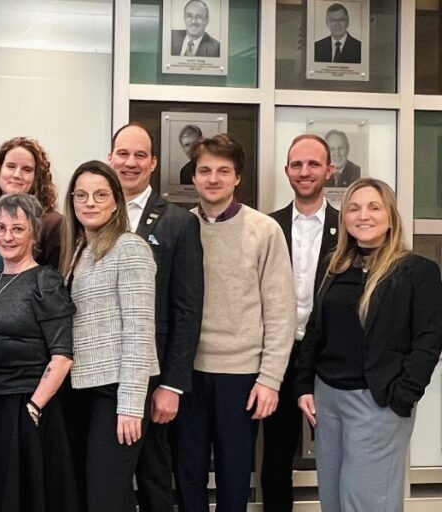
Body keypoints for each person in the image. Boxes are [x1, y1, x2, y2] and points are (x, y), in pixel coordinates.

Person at [295, 178, 442, 512]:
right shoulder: (334, 266)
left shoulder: (416, 271)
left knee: (364, 503)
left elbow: (428, 342)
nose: (363, 215)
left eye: (374, 207)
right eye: (354, 207)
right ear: (345, 217)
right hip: (328, 400)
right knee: (332, 500)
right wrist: (304, 384)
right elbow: (316, 329)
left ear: (391, 217)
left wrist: (402, 397)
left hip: (378, 403)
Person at [176, 134, 295, 512]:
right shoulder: (179, 228)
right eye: (205, 170)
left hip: (241, 376)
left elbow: (281, 310)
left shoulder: (264, 231)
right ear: (193, 177)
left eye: (223, 171)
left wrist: (270, 379)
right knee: (188, 474)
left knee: (234, 478)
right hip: (186, 374)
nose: (213, 178)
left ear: (237, 177)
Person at [0, 193, 81, 512]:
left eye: (18, 229)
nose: (7, 236)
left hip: (26, 406)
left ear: (34, 232)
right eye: (1, 227)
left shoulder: (45, 281)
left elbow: (62, 356)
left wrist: (33, 408)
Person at [108, 123, 204, 512]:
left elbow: (187, 309)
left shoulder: (179, 223)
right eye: (123, 154)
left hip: (153, 373)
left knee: (153, 476)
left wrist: (173, 385)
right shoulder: (89, 213)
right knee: (103, 475)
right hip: (99, 372)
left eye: (139, 155)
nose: (130, 163)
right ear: (110, 157)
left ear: (153, 162)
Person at [61, 161, 159, 512]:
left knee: (107, 498)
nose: (90, 202)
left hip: (115, 393)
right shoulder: (77, 252)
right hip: (78, 390)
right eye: (81, 195)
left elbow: (139, 331)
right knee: (85, 495)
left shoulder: (129, 248)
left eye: (100, 194)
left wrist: (131, 406)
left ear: (116, 201)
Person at [262, 134, 340, 512]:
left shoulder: (349, 227)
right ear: (287, 171)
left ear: (330, 169)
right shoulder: (268, 226)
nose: (304, 172)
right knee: (276, 456)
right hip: (280, 353)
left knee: (336, 450)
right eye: (297, 165)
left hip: (330, 357)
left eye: (313, 164)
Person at [0, 137, 63, 272]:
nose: (17, 175)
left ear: (36, 178)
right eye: (11, 166)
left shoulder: (53, 224)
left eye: (26, 169)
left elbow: (56, 280)